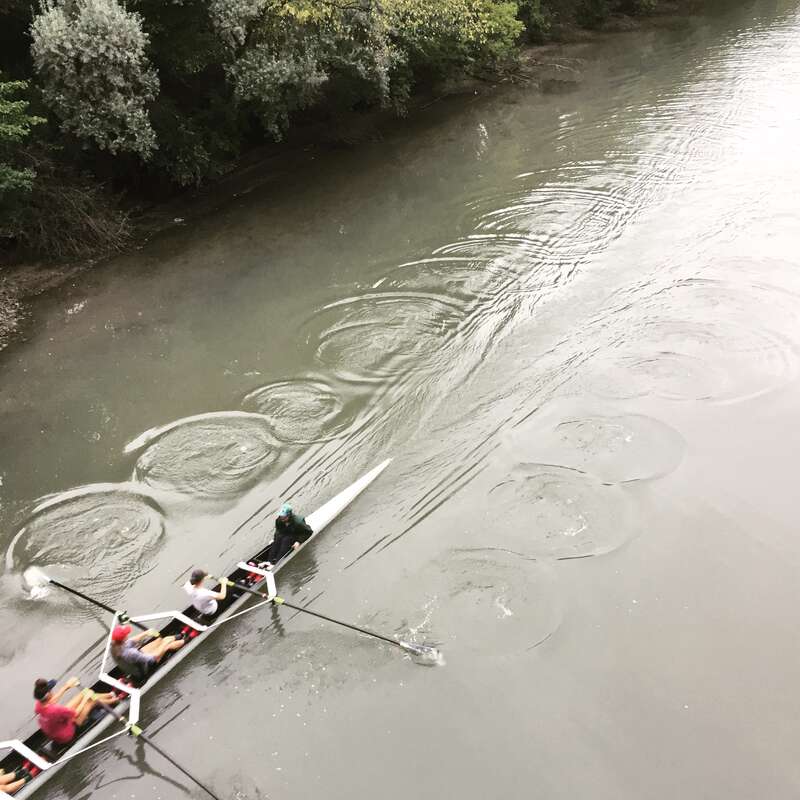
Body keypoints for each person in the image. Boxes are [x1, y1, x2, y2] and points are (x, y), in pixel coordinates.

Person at [33, 677, 118, 745]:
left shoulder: (39, 705)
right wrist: (85, 699)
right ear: (48, 694)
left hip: (57, 727)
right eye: (51, 690)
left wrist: (67, 686)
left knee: (82, 694)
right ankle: (116, 699)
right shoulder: (55, 709)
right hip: (67, 734)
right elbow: (76, 714)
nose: (52, 691)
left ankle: (111, 694)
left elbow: (53, 700)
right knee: (90, 702)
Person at [110, 624, 184, 683]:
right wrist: (164, 647)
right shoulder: (130, 653)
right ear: (123, 638)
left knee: (159, 640)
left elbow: (131, 641)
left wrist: (147, 632)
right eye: (126, 634)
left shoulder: (115, 646)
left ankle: (180, 635)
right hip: (144, 670)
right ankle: (185, 640)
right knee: (167, 644)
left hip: (134, 664)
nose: (128, 634)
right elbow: (152, 659)